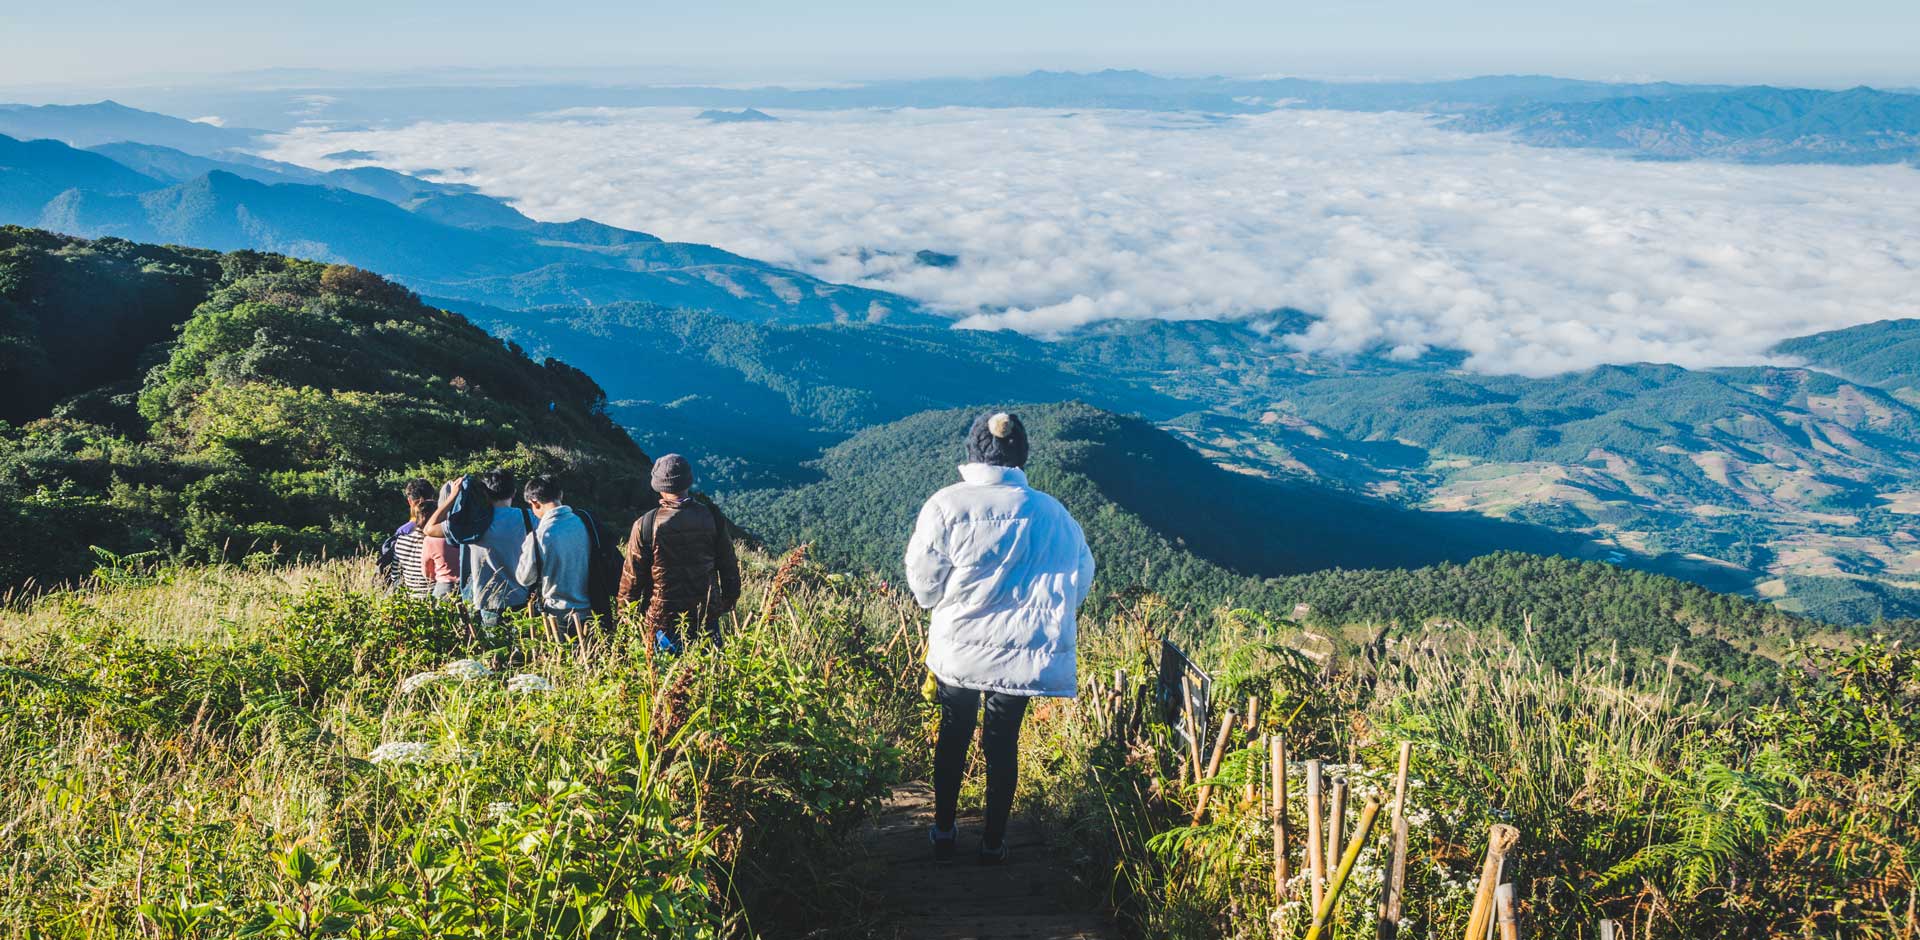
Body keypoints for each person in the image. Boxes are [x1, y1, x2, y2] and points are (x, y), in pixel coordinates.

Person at [905, 411, 1095, 865]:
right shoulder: (1053, 513)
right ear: (1021, 455)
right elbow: (1081, 576)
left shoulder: (946, 506)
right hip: (1023, 653)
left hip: (960, 649)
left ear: (972, 453)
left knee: (953, 734)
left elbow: (924, 585)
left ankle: (945, 830)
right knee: (1002, 742)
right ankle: (993, 841)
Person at [617, 454, 741, 653]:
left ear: (658, 486)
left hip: (664, 619)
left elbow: (632, 575)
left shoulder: (645, 525)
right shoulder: (711, 517)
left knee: (672, 678)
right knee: (708, 674)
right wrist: (729, 598)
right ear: (688, 482)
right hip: (705, 613)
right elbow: (728, 563)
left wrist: (625, 611)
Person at [423, 468, 532, 640]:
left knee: (495, 657)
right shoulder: (528, 517)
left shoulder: (473, 523)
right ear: (514, 492)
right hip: (523, 599)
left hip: (487, 601)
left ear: (485, 493)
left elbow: (429, 528)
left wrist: (453, 496)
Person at [513, 474, 594, 642]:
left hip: (558, 615)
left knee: (563, 662)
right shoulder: (585, 522)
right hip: (591, 610)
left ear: (534, 502)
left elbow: (524, 578)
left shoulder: (539, 537)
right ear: (561, 495)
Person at [378, 478, 436, 590]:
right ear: (433, 498)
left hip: (409, 594)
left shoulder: (403, 532)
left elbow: (396, 575)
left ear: (410, 501)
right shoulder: (442, 530)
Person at [420, 500, 460, 601]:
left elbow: (427, 572)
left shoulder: (429, 539)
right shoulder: (464, 532)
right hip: (466, 584)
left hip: (443, 587)